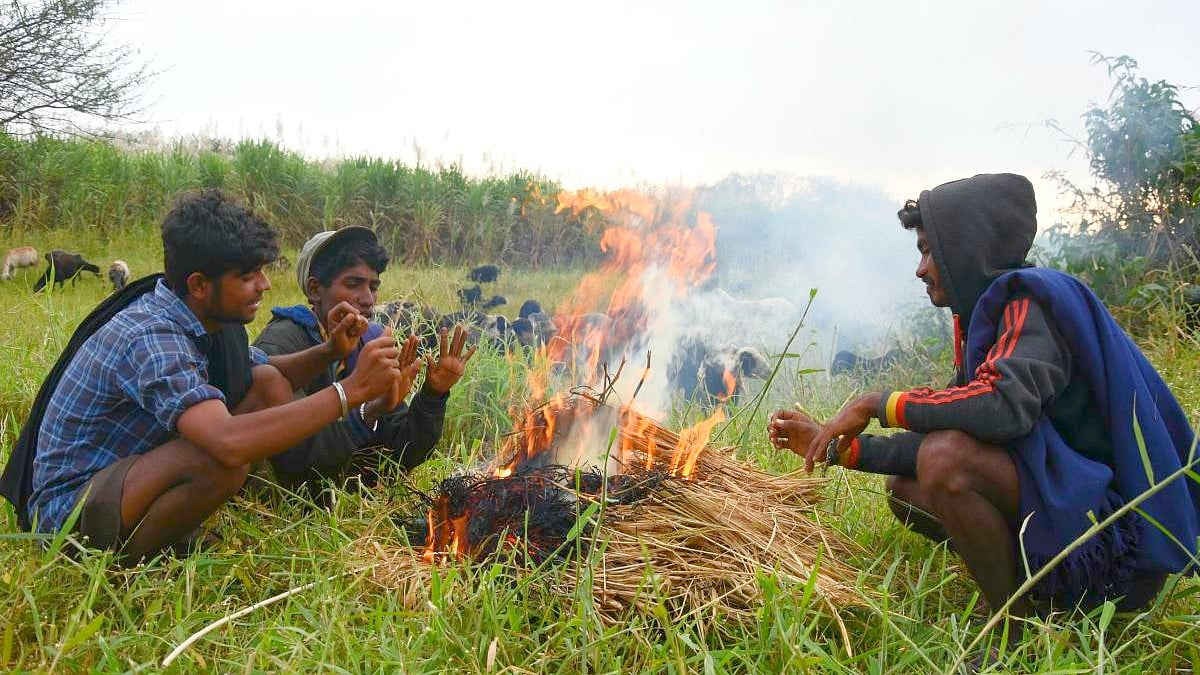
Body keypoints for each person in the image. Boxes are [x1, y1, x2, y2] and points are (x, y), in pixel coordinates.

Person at [769, 173, 1199, 623]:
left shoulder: (1028, 306)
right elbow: (959, 426)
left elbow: (1002, 409)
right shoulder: (989, 320)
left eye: (929, 251)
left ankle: (1011, 627)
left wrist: (876, 402)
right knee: (907, 488)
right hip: (1071, 508)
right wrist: (837, 448)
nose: (921, 269)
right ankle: (1045, 594)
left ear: (966, 246)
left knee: (943, 462)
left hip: (1113, 544)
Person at [1, 189, 418, 562]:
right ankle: (127, 561)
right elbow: (227, 441)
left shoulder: (203, 319)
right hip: (65, 512)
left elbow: (265, 371)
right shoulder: (151, 336)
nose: (264, 285)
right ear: (200, 284)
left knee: (266, 383)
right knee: (221, 461)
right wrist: (350, 392)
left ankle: (167, 527)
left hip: (122, 477)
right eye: (247, 276)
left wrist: (331, 350)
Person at [252, 227, 475, 492]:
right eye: (353, 284)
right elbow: (299, 464)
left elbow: (399, 457)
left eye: (373, 286)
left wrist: (432, 396)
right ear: (315, 289)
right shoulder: (281, 345)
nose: (368, 300)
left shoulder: (369, 341)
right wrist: (367, 409)